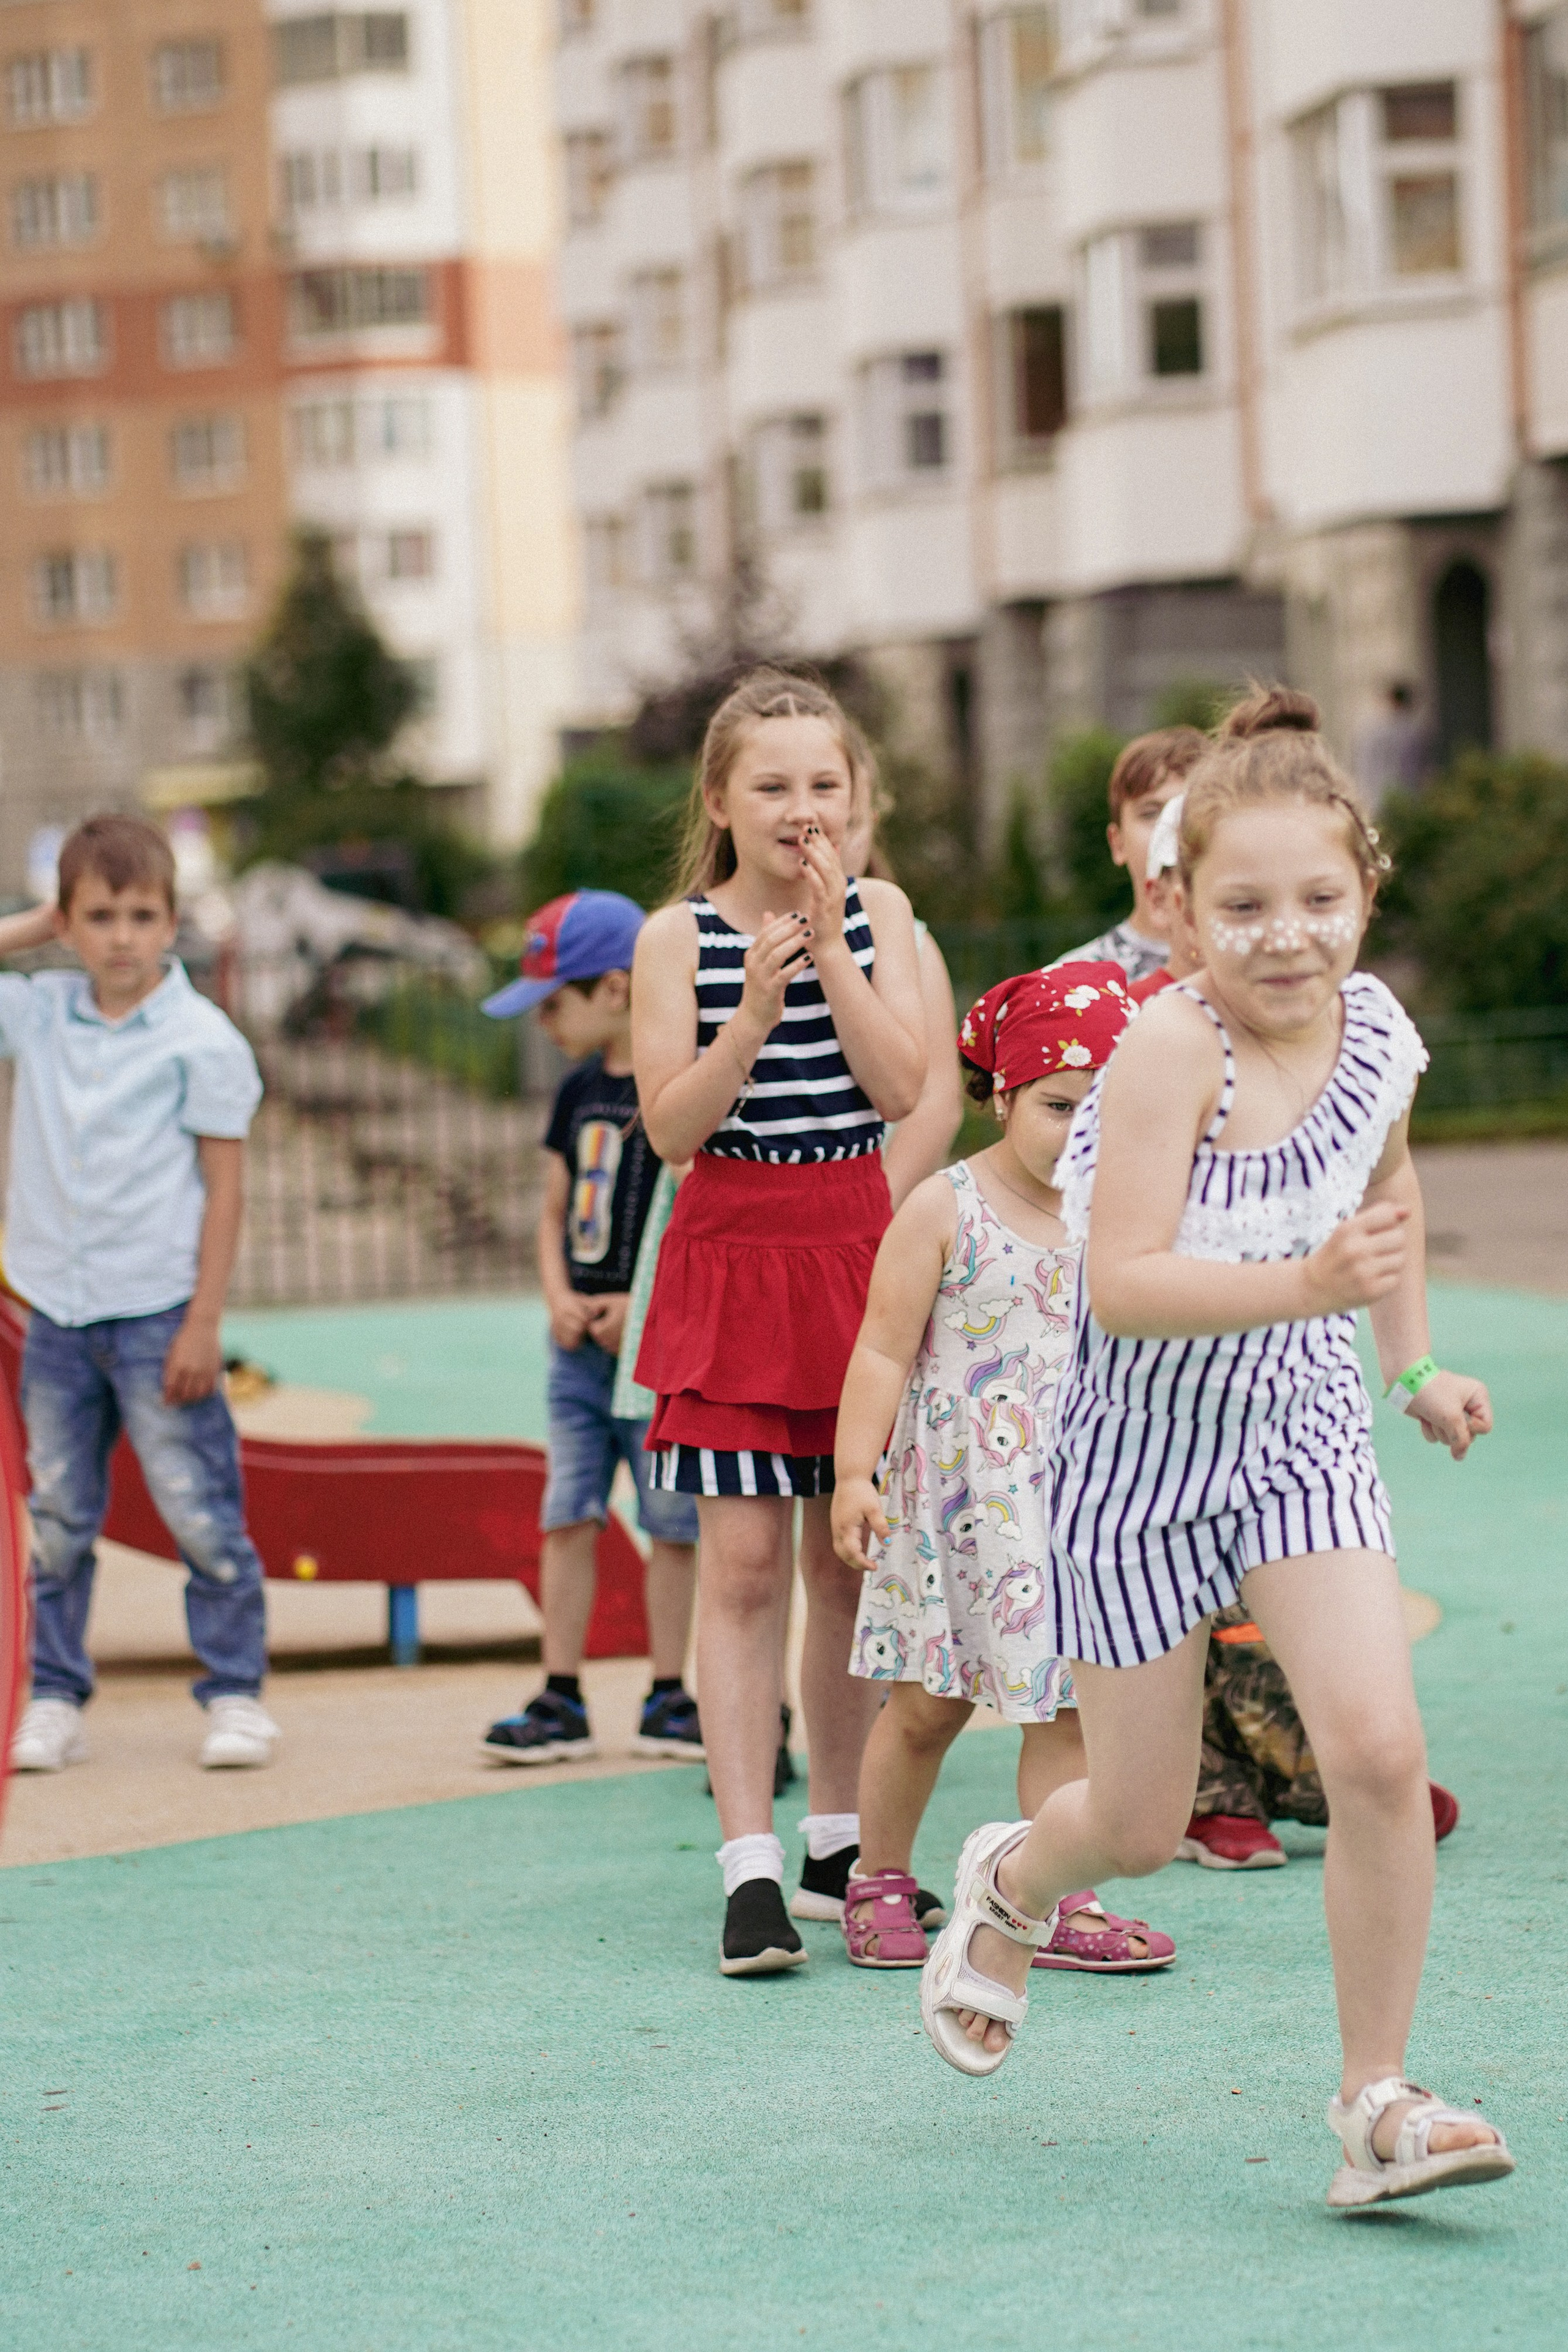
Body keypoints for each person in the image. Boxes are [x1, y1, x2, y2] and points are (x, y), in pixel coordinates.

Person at [919, 688, 1515, 2211]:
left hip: (1299, 1434)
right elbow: (1119, 1281)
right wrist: (1301, 1285)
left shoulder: (1377, 1031)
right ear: (1176, 907)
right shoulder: (1168, 1054)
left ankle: (1372, 2097)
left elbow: (1387, 1199)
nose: (1283, 934)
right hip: (1133, 1463)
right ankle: (1010, 1879)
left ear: (1363, 893)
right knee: (1138, 1819)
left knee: (1376, 1750)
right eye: (1240, 904)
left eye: (1318, 899)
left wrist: (1414, 1361)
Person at [632, 669, 925, 1975]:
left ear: (854, 798)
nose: (801, 810)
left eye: (823, 785)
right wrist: (751, 1008)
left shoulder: (881, 911)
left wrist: (832, 945)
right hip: (734, 1256)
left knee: (845, 1566)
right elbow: (669, 1129)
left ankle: (840, 1844)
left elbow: (907, 1084)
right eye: (772, 787)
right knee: (741, 1569)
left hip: (857, 1255)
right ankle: (749, 1866)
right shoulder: (673, 940)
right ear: (719, 801)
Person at [832, 967, 1174, 1978]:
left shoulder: (1122, 1220)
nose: (1081, 1132)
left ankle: (1054, 1896)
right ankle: (879, 1875)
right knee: (928, 1705)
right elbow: (882, 1352)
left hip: (1073, 1506)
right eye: (1060, 1105)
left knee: (1067, 1705)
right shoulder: (946, 1206)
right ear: (1002, 1095)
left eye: (1104, 1112)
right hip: (958, 1509)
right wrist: (856, 1474)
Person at [4, 814, 276, 1774]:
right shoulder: (36, 1015)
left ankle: (237, 1690)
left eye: (142, 915)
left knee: (199, 1509)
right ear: (69, 922)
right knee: (63, 1515)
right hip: (57, 1315)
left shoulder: (200, 1038)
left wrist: (204, 1320)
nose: (122, 935)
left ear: (172, 923)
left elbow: (226, 1185)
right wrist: (32, 925)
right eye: (99, 915)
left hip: (160, 1309)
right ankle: (54, 1693)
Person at [479, 892, 701, 1765]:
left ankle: (670, 1692)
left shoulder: (674, 1088)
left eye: (553, 1001)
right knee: (567, 1511)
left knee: (672, 1520)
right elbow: (550, 1211)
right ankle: (561, 1691)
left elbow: (692, 1216)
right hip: (576, 1352)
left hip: (651, 1350)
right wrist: (558, 1296)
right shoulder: (574, 1095)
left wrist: (637, 1312)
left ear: (616, 989)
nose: (544, 1022)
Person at [1058, 726, 1206, 984]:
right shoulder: (1074, 982)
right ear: (1118, 844)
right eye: (1151, 813)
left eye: (1189, 808)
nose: (1173, 826)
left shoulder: (1252, 968)